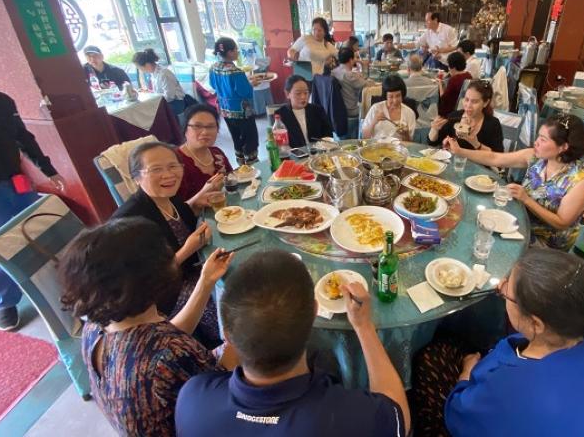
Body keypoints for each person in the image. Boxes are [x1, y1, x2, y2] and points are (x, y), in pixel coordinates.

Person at [175, 250, 410, 436]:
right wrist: (364, 326)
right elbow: (399, 417)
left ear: (227, 334)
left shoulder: (191, 399)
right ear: (315, 312)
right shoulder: (349, 418)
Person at [412, 248, 584, 436]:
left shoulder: (509, 385)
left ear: (536, 323)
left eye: (508, 292)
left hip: (500, 410)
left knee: (430, 359)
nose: (500, 287)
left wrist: (466, 374)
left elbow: (458, 416)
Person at [59, 217, 238, 436]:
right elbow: (222, 391)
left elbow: (162, 338)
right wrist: (239, 341)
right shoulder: (169, 352)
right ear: (152, 276)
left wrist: (206, 281)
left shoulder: (96, 326)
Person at [112, 141, 222, 347]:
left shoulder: (169, 198)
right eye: (156, 169)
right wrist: (187, 249)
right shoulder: (128, 221)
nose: (168, 175)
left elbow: (176, 223)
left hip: (194, 269)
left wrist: (196, 204)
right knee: (223, 302)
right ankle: (219, 349)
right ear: (136, 178)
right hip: (165, 295)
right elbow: (142, 281)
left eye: (173, 166)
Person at [445, 114, 584, 250]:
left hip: (546, 243)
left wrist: (526, 199)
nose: (536, 142)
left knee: (482, 241)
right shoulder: (536, 157)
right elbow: (495, 158)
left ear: (563, 147)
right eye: (538, 137)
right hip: (518, 223)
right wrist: (459, 151)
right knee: (472, 226)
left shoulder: (580, 181)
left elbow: (562, 223)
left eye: (543, 139)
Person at [0, 83, 65, 331]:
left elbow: (23, 137)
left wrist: (48, 169)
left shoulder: (2, 101)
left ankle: (62, 286)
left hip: (17, 181)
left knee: (41, 232)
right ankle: (6, 302)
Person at [210, 37, 264, 165]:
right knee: (250, 138)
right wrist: (251, 84)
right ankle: (253, 164)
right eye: (235, 49)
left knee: (236, 137)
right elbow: (244, 92)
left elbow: (212, 85)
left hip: (225, 110)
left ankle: (241, 163)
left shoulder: (213, 68)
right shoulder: (236, 72)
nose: (237, 52)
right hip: (242, 111)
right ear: (229, 52)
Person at [176, 104, 232, 203]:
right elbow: (173, 210)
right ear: (185, 129)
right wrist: (202, 194)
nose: (205, 132)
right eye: (197, 126)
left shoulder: (217, 153)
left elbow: (232, 179)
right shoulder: (175, 162)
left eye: (211, 126)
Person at [430, 80, 504, 154]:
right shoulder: (455, 117)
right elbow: (433, 143)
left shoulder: (493, 124)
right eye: (466, 99)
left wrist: (475, 143)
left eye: (474, 102)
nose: (468, 105)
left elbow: (498, 156)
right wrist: (434, 129)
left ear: (485, 103)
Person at [275, 75, 333, 149]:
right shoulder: (281, 114)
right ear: (287, 94)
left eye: (306, 93)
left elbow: (328, 135)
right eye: (298, 93)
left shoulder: (317, 110)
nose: (303, 97)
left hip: (319, 151)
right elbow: (281, 143)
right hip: (295, 154)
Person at [132, 48, 187, 122]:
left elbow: (169, 96)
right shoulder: (153, 73)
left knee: (151, 114)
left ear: (147, 65)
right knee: (146, 111)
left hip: (176, 103)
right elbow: (159, 92)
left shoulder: (164, 73)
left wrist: (154, 101)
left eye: (140, 68)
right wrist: (150, 92)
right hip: (166, 101)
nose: (141, 70)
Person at [361, 74, 416, 141]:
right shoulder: (376, 108)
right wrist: (374, 120)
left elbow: (410, 143)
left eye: (398, 96)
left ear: (402, 95)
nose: (395, 101)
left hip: (399, 147)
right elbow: (364, 137)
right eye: (391, 97)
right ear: (386, 96)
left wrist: (405, 135)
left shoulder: (409, 113)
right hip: (377, 146)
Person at [331, 47, 371, 119]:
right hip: (351, 110)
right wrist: (363, 65)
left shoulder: (333, 72)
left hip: (338, 108)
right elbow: (368, 84)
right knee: (373, 106)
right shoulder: (350, 75)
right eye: (355, 57)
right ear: (351, 60)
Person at [437, 51, 472, 117]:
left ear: (453, 67)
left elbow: (443, 97)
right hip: (462, 108)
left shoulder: (454, 79)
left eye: (449, 66)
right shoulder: (468, 75)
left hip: (450, 111)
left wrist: (440, 84)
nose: (448, 68)